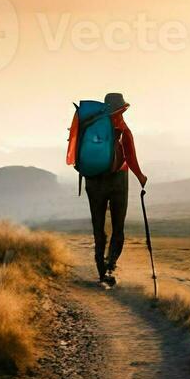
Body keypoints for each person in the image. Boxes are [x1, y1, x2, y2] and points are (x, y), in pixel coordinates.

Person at [66, 92, 147, 286]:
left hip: (93, 180)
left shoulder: (91, 123)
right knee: (118, 227)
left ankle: (101, 271)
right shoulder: (121, 126)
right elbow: (131, 157)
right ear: (122, 108)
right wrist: (141, 177)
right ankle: (111, 266)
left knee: (98, 227)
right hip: (118, 179)